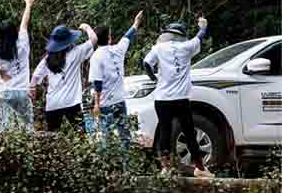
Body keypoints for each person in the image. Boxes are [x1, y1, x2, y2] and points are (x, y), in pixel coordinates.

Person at [143, 17, 214, 178]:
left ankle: (166, 168)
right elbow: (199, 36)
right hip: (181, 99)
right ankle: (200, 168)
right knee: (189, 132)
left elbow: (146, 63)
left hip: (161, 99)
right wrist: (203, 26)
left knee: (165, 133)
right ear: (181, 35)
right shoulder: (187, 46)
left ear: (167, 34)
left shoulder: (158, 48)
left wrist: (154, 78)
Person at [89, 11, 143, 149]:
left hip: (106, 102)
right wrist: (136, 23)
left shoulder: (96, 56)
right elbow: (128, 37)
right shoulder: (118, 49)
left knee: (105, 135)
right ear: (109, 38)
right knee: (124, 133)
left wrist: (96, 104)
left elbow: (98, 83)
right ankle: (127, 163)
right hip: (120, 100)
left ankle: (108, 163)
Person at [30, 23, 97, 132]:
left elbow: (35, 77)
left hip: (53, 103)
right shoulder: (76, 52)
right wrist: (87, 28)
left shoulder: (48, 59)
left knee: (52, 138)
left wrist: (32, 89)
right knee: (81, 135)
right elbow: (94, 39)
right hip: (71, 102)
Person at [0, 0, 37, 132]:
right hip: (21, 91)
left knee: (5, 128)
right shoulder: (23, 42)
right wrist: (28, 5)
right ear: (15, 32)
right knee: (27, 127)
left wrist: (1, 72)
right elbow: (24, 23)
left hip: (4, 91)